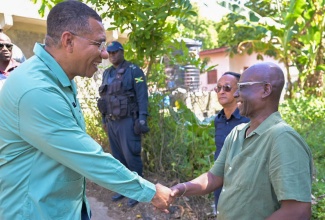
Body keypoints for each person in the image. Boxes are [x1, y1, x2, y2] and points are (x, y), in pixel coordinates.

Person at [0, 1, 172, 219]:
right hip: (36, 212)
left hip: (65, 207)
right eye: (99, 45)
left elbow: (140, 97)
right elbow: (88, 157)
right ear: (68, 41)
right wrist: (150, 192)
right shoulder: (36, 89)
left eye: (109, 48)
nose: (104, 55)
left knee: (131, 156)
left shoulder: (59, 78)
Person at [170, 62, 313, 220]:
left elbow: (297, 211)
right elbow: (214, 177)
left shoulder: (282, 139)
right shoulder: (236, 133)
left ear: (266, 90)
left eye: (243, 87)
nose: (236, 94)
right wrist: (180, 189)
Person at [97, 40, 150, 207]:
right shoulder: (107, 74)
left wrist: (142, 118)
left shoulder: (134, 71)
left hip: (128, 121)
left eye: (115, 52)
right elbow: (104, 99)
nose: (112, 56)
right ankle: (124, 189)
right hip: (112, 122)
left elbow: (142, 96)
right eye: (110, 53)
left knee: (131, 157)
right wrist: (104, 119)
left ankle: (138, 191)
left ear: (122, 52)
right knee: (118, 159)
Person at [213, 71, 249, 212]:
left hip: (241, 185)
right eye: (218, 88)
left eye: (227, 88)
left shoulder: (248, 120)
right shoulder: (218, 119)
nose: (221, 92)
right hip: (219, 181)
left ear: (238, 92)